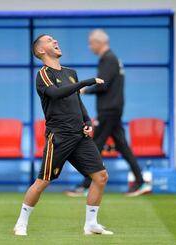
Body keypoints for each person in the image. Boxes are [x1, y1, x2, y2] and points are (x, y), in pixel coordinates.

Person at [13, 34, 113, 236]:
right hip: (59, 137)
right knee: (43, 181)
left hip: (79, 136)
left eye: (55, 40)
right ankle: (21, 223)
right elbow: (56, 94)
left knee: (101, 176)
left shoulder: (70, 73)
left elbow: (76, 100)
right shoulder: (43, 74)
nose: (55, 42)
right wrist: (86, 82)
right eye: (50, 40)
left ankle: (91, 224)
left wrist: (87, 121)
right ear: (41, 51)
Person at [66, 29, 151, 197]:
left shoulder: (107, 59)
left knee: (94, 146)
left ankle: (85, 185)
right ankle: (141, 182)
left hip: (109, 110)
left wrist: (84, 90)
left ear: (99, 43)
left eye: (91, 43)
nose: (90, 47)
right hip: (114, 109)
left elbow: (103, 85)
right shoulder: (113, 59)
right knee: (121, 146)